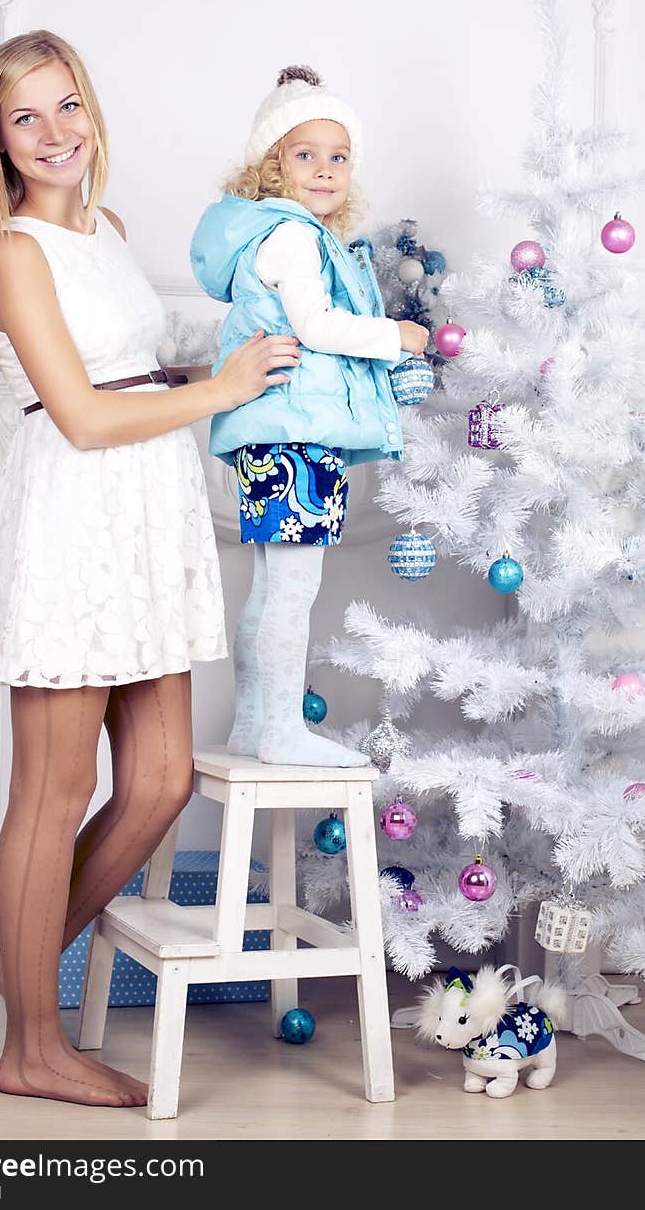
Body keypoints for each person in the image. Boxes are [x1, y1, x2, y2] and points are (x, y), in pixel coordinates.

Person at [0, 30, 299, 1107]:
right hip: (72, 526)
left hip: (149, 522)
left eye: (68, 107)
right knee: (52, 796)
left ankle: (25, 962)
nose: (55, 133)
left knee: (154, 783)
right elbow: (89, 416)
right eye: (26, 117)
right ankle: (30, 1046)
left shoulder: (107, 229)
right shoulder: (8, 250)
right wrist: (224, 391)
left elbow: (135, 372)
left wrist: (233, 363)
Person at [191, 66, 428, 767]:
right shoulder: (291, 238)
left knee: (275, 582)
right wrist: (398, 338)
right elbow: (319, 325)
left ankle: (257, 725)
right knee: (292, 584)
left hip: (281, 429)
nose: (325, 170)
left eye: (339, 156)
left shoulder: (298, 234)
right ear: (270, 167)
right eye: (305, 155)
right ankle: (278, 729)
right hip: (293, 429)